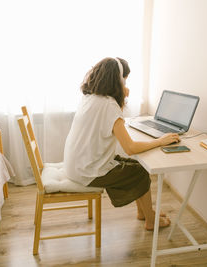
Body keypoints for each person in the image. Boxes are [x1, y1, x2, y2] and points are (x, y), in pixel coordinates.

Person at [64, 57, 180, 230]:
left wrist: (120, 99)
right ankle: (150, 219)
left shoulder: (89, 97)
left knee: (136, 167)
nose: (125, 83)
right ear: (118, 80)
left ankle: (144, 212)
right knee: (140, 173)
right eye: (124, 79)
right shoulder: (109, 105)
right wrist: (160, 141)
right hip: (87, 171)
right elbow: (130, 148)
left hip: (76, 165)